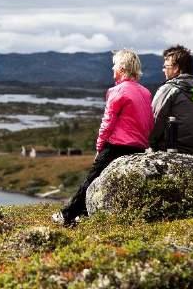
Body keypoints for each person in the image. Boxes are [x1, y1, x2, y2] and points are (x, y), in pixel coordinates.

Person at [52, 49, 153, 226]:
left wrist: (99, 148)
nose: (113, 69)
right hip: (139, 147)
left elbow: (107, 123)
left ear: (122, 68)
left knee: (91, 180)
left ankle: (66, 216)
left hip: (116, 146)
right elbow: (149, 123)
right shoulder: (146, 93)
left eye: (114, 65)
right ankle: (84, 215)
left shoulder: (117, 91)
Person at [149, 45, 193, 154]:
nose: (163, 70)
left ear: (176, 68)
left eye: (166, 66)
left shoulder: (168, 89)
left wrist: (150, 144)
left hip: (170, 150)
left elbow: (154, 121)